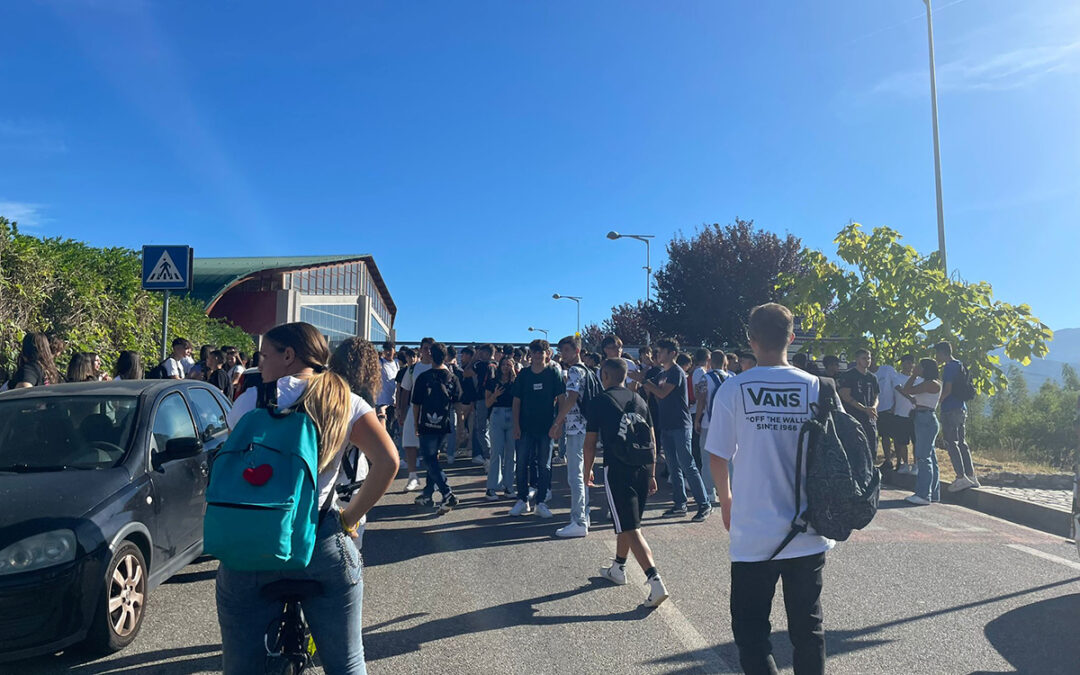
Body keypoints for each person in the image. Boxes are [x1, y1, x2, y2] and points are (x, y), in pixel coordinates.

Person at [217, 322, 398, 675]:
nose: (260, 363)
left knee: (240, 666)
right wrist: (349, 516)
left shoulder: (250, 401)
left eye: (265, 355)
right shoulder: (346, 401)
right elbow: (388, 462)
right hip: (320, 539)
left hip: (252, 545)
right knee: (347, 663)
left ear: (288, 356)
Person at [706, 303, 834, 675]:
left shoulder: (734, 389)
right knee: (808, 630)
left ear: (752, 340)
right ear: (791, 339)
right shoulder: (817, 388)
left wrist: (726, 502)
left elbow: (717, 455)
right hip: (809, 529)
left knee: (751, 633)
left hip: (753, 533)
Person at [586, 357, 669, 607]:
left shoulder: (600, 401)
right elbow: (652, 438)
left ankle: (655, 581)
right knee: (627, 521)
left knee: (631, 528)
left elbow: (590, 441)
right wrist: (652, 473)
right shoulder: (639, 400)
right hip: (642, 467)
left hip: (618, 467)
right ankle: (618, 567)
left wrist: (586, 469)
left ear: (606, 375)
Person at [635, 338, 712, 522]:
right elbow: (649, 389)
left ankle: (704, 504)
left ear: (672, 354)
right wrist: (641, 380)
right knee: (673, 466)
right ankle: (680, 504)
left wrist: (644, 380)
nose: (657, 355)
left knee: (687, 464)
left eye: (661, 351)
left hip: (680, 424)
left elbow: (661, 393)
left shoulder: (676, 372)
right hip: (667, 424)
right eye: (658, 351)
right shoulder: (662, 373)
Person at [329, 337, 385, 546]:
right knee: (350, 543)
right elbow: (383, 454)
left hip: (325, 468)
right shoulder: (362, 397)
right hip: (350, 473)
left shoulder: (327, 390)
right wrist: (382, 418)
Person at [510, 339, 565, 517]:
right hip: (525, 427)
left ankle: (541, 502)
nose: (538, 355)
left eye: (541, 352)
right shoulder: (524, 374)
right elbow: (516, 401)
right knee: (521, 464)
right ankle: (522, 500)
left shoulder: (553, 373)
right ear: (530, 354)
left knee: (545, 465)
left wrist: (558, 424)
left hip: (546, 428)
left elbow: (562, 400)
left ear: (547, 354)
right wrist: (516, 425)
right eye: (534, 352)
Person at [411, 342, 462, 514]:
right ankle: (427, 494)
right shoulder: (452, 377)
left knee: (429, 459)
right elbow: (458, 403)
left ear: (431, 355)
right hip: (444, 424)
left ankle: (447, 493)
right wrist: (460, 425)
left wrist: (415, 423)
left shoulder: (424, 377)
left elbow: (416, 403)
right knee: (433, 458)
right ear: (446, 356)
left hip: (426, 423)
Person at [551, 335, 592, 538]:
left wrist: (558, 421)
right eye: (561, 351)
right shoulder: (589, 371)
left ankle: (578, 520)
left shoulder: (575, 370)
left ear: (576, 351)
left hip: (576, 427)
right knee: (583, 473)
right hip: (588, 427)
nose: (563, 355)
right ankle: (585, 514)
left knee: (575, 475)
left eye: (566, 351)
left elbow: (572, 397)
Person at [936, 341, 980, 491]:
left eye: (938, 353)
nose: (937, 356)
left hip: (950, 408)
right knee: (962, 442)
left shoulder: (949, 367)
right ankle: (971, 475)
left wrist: (937, 402)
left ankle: (960, 477)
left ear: (942, 352)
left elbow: (947, 389)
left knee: (951, 443)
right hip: (962, 407)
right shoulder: (960, 364)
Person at [900, 358, 942, 506]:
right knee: (930, 456)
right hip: (924, 417)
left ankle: (924, 494)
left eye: (919, 366)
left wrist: (913, 375)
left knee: (923, 457)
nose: (916, 367)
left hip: (926, 419)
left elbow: (907, 389)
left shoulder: (931, 384)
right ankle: (934, 492)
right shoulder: (929, 383)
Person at [398, 338, 435, 492]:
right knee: (409, 444)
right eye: (425, 348)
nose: (428, 351)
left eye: (430, 348)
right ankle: (413, 476)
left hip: (433, 413)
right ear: (420, 350)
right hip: (414, 410)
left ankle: (433, 479)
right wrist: (401, 411)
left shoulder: (440, 367)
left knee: (433, 448)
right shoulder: (413, 369)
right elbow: (405, 390)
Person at [695, 349, 730, 503]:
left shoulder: (705, 378)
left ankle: (709, 491)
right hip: (728, 424)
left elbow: (701, 400)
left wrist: (697, 419)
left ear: (710, 361)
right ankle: (728, 490)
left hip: (709, 423)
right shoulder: (732, 378)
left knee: (707, 458)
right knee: (728, 458)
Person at [838, 349, 879, 465]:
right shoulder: (848, 375)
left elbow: (876, 396)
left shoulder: (872, 377)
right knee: (855, 449)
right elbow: (845, 395)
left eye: (869, 358)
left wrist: (873, 407)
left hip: (870, 418)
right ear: (857, 360)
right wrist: (864, 408)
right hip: (854, 417)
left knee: (871, 448)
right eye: (864, 358)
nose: (867, 361)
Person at [485, 356, 517, 500]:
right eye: (503, 364)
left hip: (512, 415)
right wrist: (495, 395)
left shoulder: (516, 383)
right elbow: (487, 403)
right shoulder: (492, 382)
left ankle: (509, 486)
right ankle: (491, 487)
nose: (505, 367)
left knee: (511, 454)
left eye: (508, 365)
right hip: (497, 414)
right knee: (496, 453)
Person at [467, 344, 496, 467]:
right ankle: (494, 454)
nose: (480, 354)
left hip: (482, 399)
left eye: (482, 352)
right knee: (492, 429)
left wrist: (473, 358)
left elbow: (466, 373)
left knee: (480, 429)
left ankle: (488, 455)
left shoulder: (480, 365)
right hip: (495, 399)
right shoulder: (497, 365)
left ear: (487, 353)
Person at [873, 357, 901, 472]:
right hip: (878, 410)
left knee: (896, 437)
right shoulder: (868, 375)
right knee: (884, 436)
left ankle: (900, 462)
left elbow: (897, 387)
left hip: (890, 408)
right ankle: (888, 460)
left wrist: (895, 405)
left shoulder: (887, 369)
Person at [376, 341, 398, 435]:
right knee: (382, 431)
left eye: (390, 350)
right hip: (381, 402)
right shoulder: (380, 362)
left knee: (391, 430)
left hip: (392, 403)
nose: (388, 352)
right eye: (386, 350)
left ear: (394, 350)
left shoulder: (397, 363)